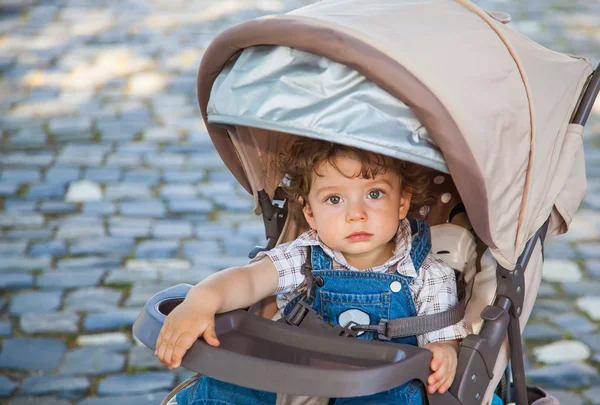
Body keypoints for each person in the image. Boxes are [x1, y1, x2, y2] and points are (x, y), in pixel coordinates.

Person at [155, 138, 469, 405]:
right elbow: (249, 279)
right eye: (335, 199)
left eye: (374, 194)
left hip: (378, 386)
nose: (355, 214)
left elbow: (442, 339)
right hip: (296, 374)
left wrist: (444, 353)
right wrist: (202, 300)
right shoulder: (305, 256)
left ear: (402, 203)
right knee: (225, 385)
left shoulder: (428, 273)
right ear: (311, 213)